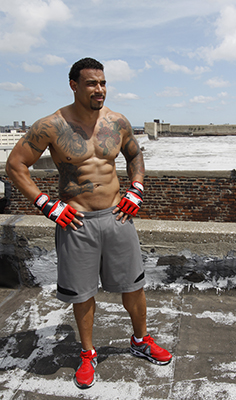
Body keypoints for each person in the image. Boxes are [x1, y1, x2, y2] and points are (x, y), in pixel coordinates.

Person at [5, 57, 172, 389]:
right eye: (92, 83)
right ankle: (87, 353)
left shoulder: (117, 121)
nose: (100, 89)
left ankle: (141, 341)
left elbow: (134, 155)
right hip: (76, 222)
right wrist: (46, 205)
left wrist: (136, 189)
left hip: (117, 217)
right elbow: (15, 165)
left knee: (133, 287)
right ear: (74, 86)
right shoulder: (51, 125)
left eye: (103, 83)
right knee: (83, 294)